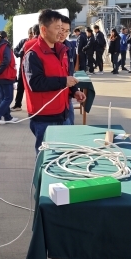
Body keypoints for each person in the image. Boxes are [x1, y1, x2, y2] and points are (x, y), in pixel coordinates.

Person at [23, 9, 85, 152]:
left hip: (63, 113)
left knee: (65, 154)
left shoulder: (62, 50)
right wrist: (64, 81)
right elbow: (35, 83)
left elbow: (65, 75)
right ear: (44, 30)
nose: (60, 32)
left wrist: (74, 91)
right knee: (47, 158)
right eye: (57, 28)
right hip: (45, 118)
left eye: (63, 29)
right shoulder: (33, 54)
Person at [0, 31, 18, 124]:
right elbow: (7, 60)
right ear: (6, 37)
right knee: (8, 98)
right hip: (6, 75)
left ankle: (7, 117)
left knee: (3, 97)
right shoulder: (5, 47)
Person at [11, 27, 35, 111]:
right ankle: (18, 105)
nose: (31, 36)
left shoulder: (36, 42)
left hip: (33, 70)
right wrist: (19, 54)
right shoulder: (24, 42)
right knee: (20, 87)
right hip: (23, 68)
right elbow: (15, 50)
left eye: (32, 34)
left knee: (32, 88)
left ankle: (34, 106)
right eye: (30, 34)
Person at [58, 15, 76, 125]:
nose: (63, 34)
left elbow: (70, 72)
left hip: (67, 96)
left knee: (71, 126)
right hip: (55, 99)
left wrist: (75, 91)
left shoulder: (69, 47)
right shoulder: (48, 49)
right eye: (61, 29)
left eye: (67, 31)